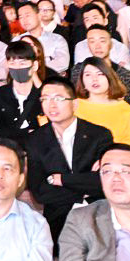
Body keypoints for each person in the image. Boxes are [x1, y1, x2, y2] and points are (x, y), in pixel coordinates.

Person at [25, 80, 106, 237]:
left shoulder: (99, 135)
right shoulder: (35, 140)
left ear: (74, 104)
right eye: (45, 99)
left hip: (98, 214)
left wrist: (61, 179)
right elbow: (40, 191)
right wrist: (82, 190)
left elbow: (101, 181)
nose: (51, 105)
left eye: (58, 98)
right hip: (58, 220)